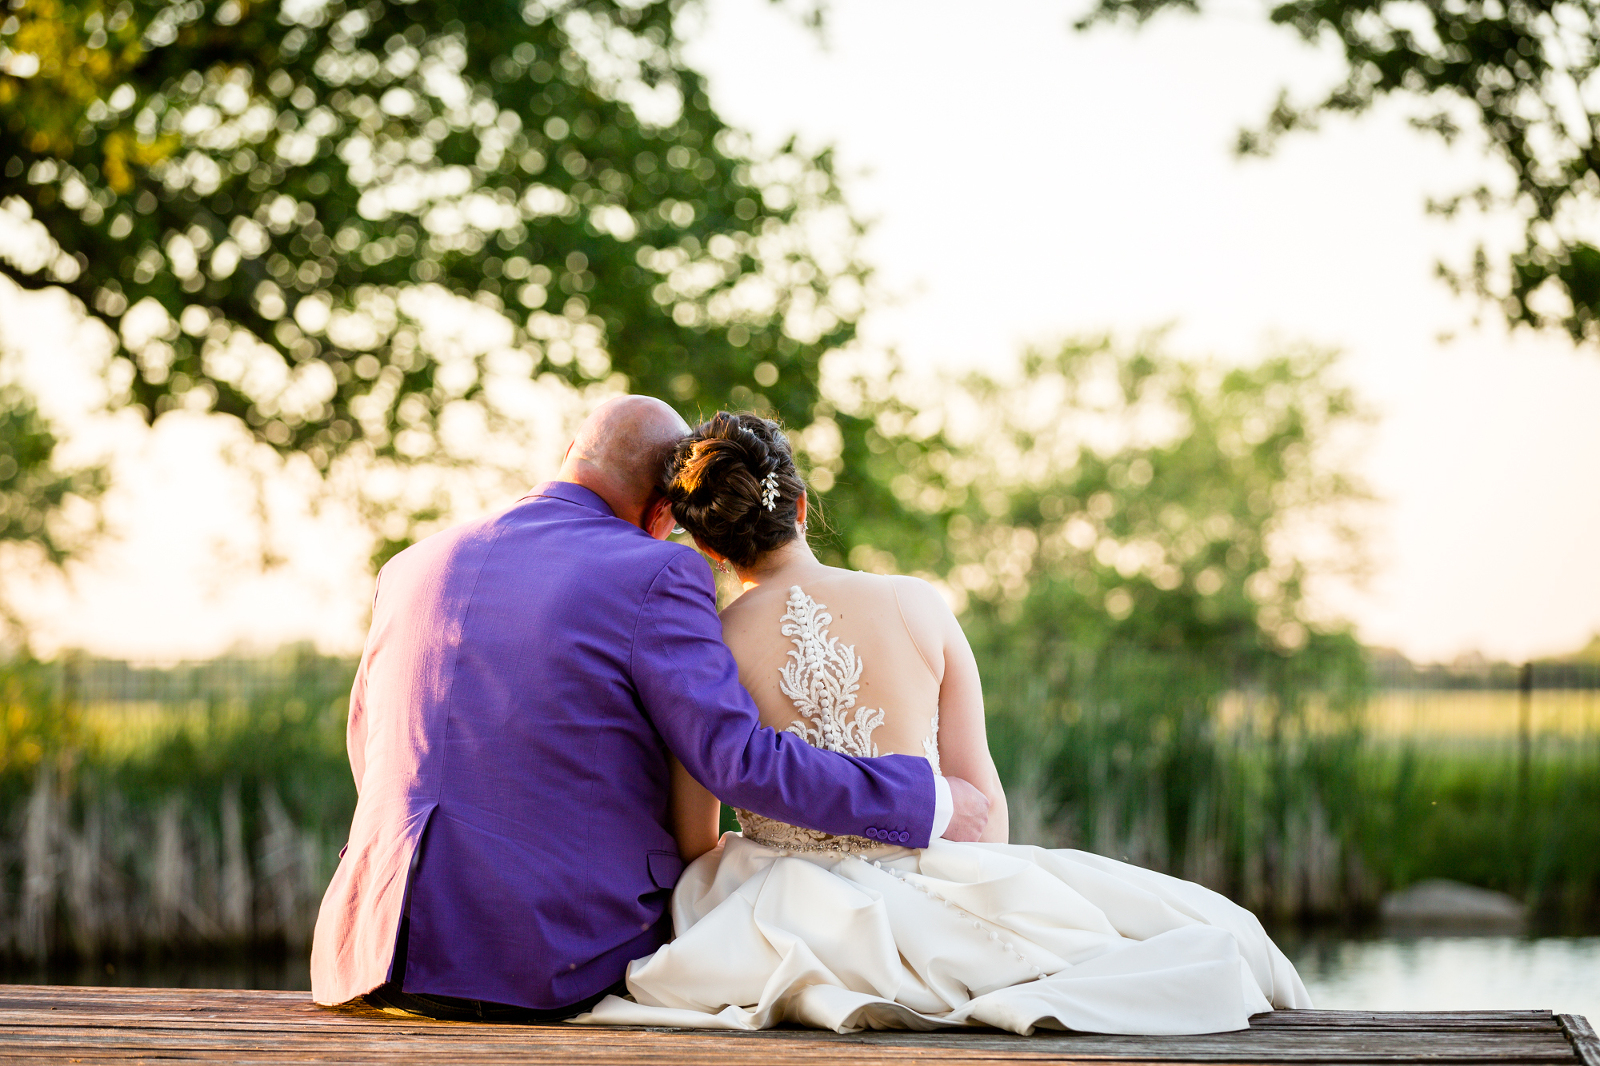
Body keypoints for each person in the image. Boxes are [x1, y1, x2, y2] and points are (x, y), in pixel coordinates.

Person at [575, 412, 1313, 1035]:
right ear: (800, 506)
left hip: (781, 912)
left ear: (706, 541)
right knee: (1174, 938)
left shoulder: (708, 645)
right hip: (930, 869)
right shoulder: (918, 604)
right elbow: (982, 809)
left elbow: (693, 836)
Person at [309, 396, 991, 1021]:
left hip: (370, 946)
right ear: (666, 513)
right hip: (540, 958)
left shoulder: (412, 565)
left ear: (571, 454)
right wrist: (925, 801)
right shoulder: (656, 571)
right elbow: (735, 759)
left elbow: (367, 746)